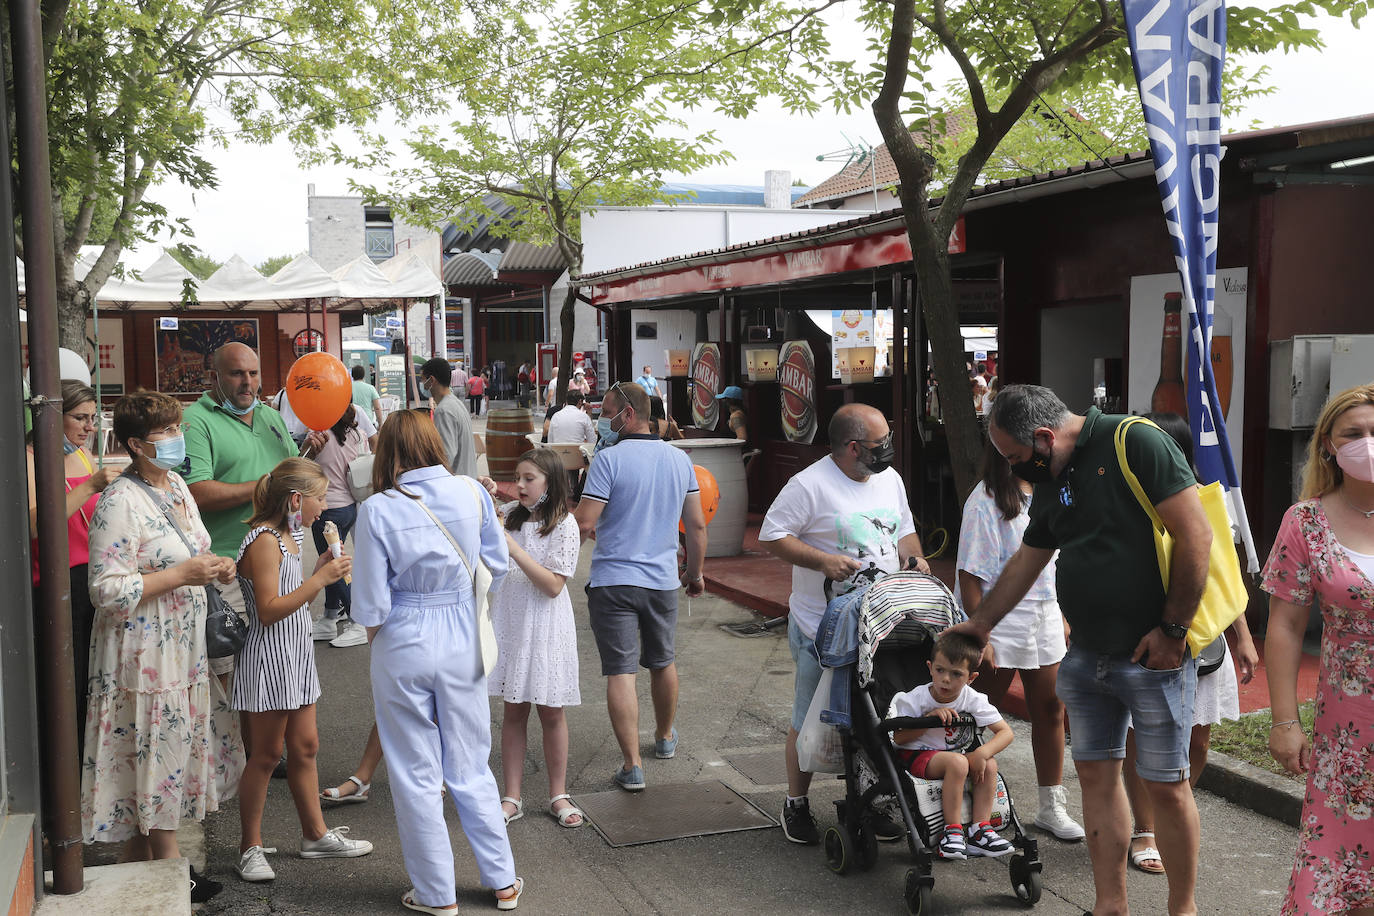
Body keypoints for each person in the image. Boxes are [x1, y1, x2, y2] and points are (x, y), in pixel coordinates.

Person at [948, 384, 1210, 916]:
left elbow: (1196, 535)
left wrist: (1173, 630)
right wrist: (979, 625)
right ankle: (1110, 904)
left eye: (1020, 459)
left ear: (1045, 438)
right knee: (1095, 777)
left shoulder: (1135, 442)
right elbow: (1029, 557)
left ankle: (1182, 910)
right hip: (1087, 655)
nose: (1019, 472)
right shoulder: (1054, 476)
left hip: (1150, 654)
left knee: (1166, 786)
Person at [351, 411, 523, 913]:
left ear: (387, 452)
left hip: (403, 631)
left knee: (415, 772)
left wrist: (380, 637)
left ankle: (435, 894)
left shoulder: (379, 509)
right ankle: (504, 882)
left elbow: (369, 603)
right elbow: (497, 563)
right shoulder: (471, 492)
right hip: (461, 632)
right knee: (470, 764)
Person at [83, 391, 241, 902]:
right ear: (135, 445)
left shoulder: (174, 484)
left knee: (161, 755)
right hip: (143, 656)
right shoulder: (118, 500)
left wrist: (216, 563)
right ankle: (174, 868)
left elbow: (192, 548)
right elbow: (105, 589)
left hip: (180, 648)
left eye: (176, 429)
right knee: (154, 753)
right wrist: (179, 575)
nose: (177, 439)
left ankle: (138, 872)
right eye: (165, 433)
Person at [759, 403, 929, 845]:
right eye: (880, 444)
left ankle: (872, 799)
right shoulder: (808, 485)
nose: (888, 450)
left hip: (882, 621)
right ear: (853, 448)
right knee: (809, 715)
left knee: (875, 714)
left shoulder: (888, 479)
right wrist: (823, 560)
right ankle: (796, 803)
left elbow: (904, 530)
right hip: (822, 626)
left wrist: (916, 558)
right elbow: (773, 534)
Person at [1122, 412, 1259, 876]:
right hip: (1146, 642)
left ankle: (1168, 812)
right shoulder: (1127, 502)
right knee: (1140, 738)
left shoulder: (1208, 502)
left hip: (1204, 643)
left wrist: (1243, 637)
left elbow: (1224, 577)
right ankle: (1143, 829)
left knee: (1198, 741)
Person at [1261, 383, 1374, 916]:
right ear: (1329, 444)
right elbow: (1283, 626)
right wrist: (1285, 721)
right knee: (1340, 869)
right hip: (1350, 732)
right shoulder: (1305, 521)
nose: (1368, 443)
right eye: (1354, 433)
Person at [231, 459, 371, 883]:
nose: (324, 507)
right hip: (268, 657)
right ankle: (249, 846)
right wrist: (322, 579)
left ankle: (315, 835)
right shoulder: (265, 541)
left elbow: (290, 598)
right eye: (320, 497)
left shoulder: (289, 538)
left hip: (294, 656)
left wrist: (316, 574)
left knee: (306, 746)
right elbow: (269, 610)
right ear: (295, 499)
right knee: (267, 754)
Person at [573, 382, 707, 792]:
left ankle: (632, 766)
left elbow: (584, 522)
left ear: (628, 415)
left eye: (607, 411)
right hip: (662, 581)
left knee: (621, 672)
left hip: (613, 582)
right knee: (663, 662)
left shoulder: (607, 461)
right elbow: (697, 526)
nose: (603, 420)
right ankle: (664, 739)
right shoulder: (679, 460)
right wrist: (695, 574)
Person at [957, 443, 1083, 841]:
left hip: (1044, 613)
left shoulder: (1050, 489)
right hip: (999, 618)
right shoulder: (985, 499)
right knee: (978, 712)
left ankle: (1051, 805)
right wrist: (982, 632)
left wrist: (1060, 614)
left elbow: (1056, 560)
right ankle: (964, 796)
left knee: (1050, 709)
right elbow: (969, 574)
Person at [183, 342, 316, 690]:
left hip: (280, 563)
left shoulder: (271, 416)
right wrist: (262, 486)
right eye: (236, 373)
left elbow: (285, 475)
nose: (247, 382)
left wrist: (307, 458)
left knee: (272, 672)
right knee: (230, 680)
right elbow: (196, 493)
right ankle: (238, 747)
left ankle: (260, 746)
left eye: (253, 373)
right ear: (215, 377)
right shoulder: (195, 420)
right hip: (227, 569)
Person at [490, 449, 584, 829]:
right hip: (512, 619)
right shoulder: (510, 517)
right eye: (518, 477)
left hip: (546, 625)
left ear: (551, 482)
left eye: (530, 478)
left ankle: (557, 793)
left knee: (550, 709)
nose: (522, 485)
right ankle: (511, 796)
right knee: (513, 709)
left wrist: (515, 549)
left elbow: (552, 586)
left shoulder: (564, 524)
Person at [26, 380, 121, 751]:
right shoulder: (31, 458)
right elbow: (37, 526)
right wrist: (90, 486)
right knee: (70, 678)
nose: (89, 427)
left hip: (92, 575)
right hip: (56, 581)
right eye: (80, 418)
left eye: (93, 418)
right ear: (53, 419)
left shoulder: (79, 454)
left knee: (94, 676)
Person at [890, 631, 1015, 861]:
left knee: (988, 763)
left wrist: (982, 752)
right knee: (958, 763)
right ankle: (952, 831)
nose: (946, 679)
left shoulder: (971, 698)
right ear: (930, 667)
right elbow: (898, 738)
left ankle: (980, 830)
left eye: (956, 674)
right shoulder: (916, 698)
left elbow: (1006, 733)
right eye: (940, 670)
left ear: (971, 678)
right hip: (918, 755)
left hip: (954, 755)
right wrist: (929, 719)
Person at [309, 403, 379, 647]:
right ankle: (330, 616)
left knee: (334, 568)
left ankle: (359, 621)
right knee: (333, 561)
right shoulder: (352, 432)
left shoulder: (319, 437)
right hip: (348, 506)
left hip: (328, 511)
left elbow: (301, 463)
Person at [420, 357, 477, 479]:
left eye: (422, 379)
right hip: (467, 480)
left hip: (456, 484)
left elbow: (445, 456)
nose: (422, 385)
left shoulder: (444, 411)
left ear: (432, 380)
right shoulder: (456, 404)